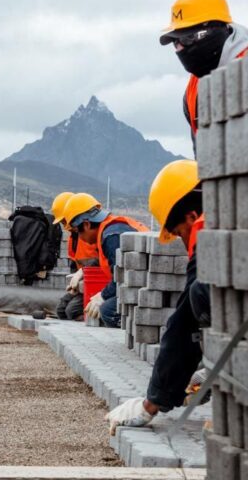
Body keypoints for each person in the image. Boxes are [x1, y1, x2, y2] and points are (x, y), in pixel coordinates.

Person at [105, 160, 211, 434]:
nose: (183, 242)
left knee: (201, 294)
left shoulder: (211, 234)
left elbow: (184, 325)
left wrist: (152, 402)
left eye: (178, 234)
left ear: (190, 216)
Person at [159, 0, 248, 154]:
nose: (181, 48)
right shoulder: (193, 91)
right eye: (175, 42)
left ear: (216, 29)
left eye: (188, 38)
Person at [62, 193, 148, 328]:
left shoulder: (111, 237)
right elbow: (112, 265)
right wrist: (82, 272)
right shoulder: (107, 232)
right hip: (138, 283)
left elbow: (122, 276)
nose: (80, 238)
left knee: (108, 310)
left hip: (146, 288)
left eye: (78, 232)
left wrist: (102, 296)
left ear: (86, 224)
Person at [51, 192, 99, 320]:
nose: (64, 226)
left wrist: (82, 273)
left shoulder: (91, 234)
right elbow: (74, 264)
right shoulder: (73, 240)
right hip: (83, 284)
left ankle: (94, 319)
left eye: (64, 221)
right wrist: (74, 285)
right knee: (61, 310)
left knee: (71, 311)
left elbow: (100, 262)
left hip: (97, 284)